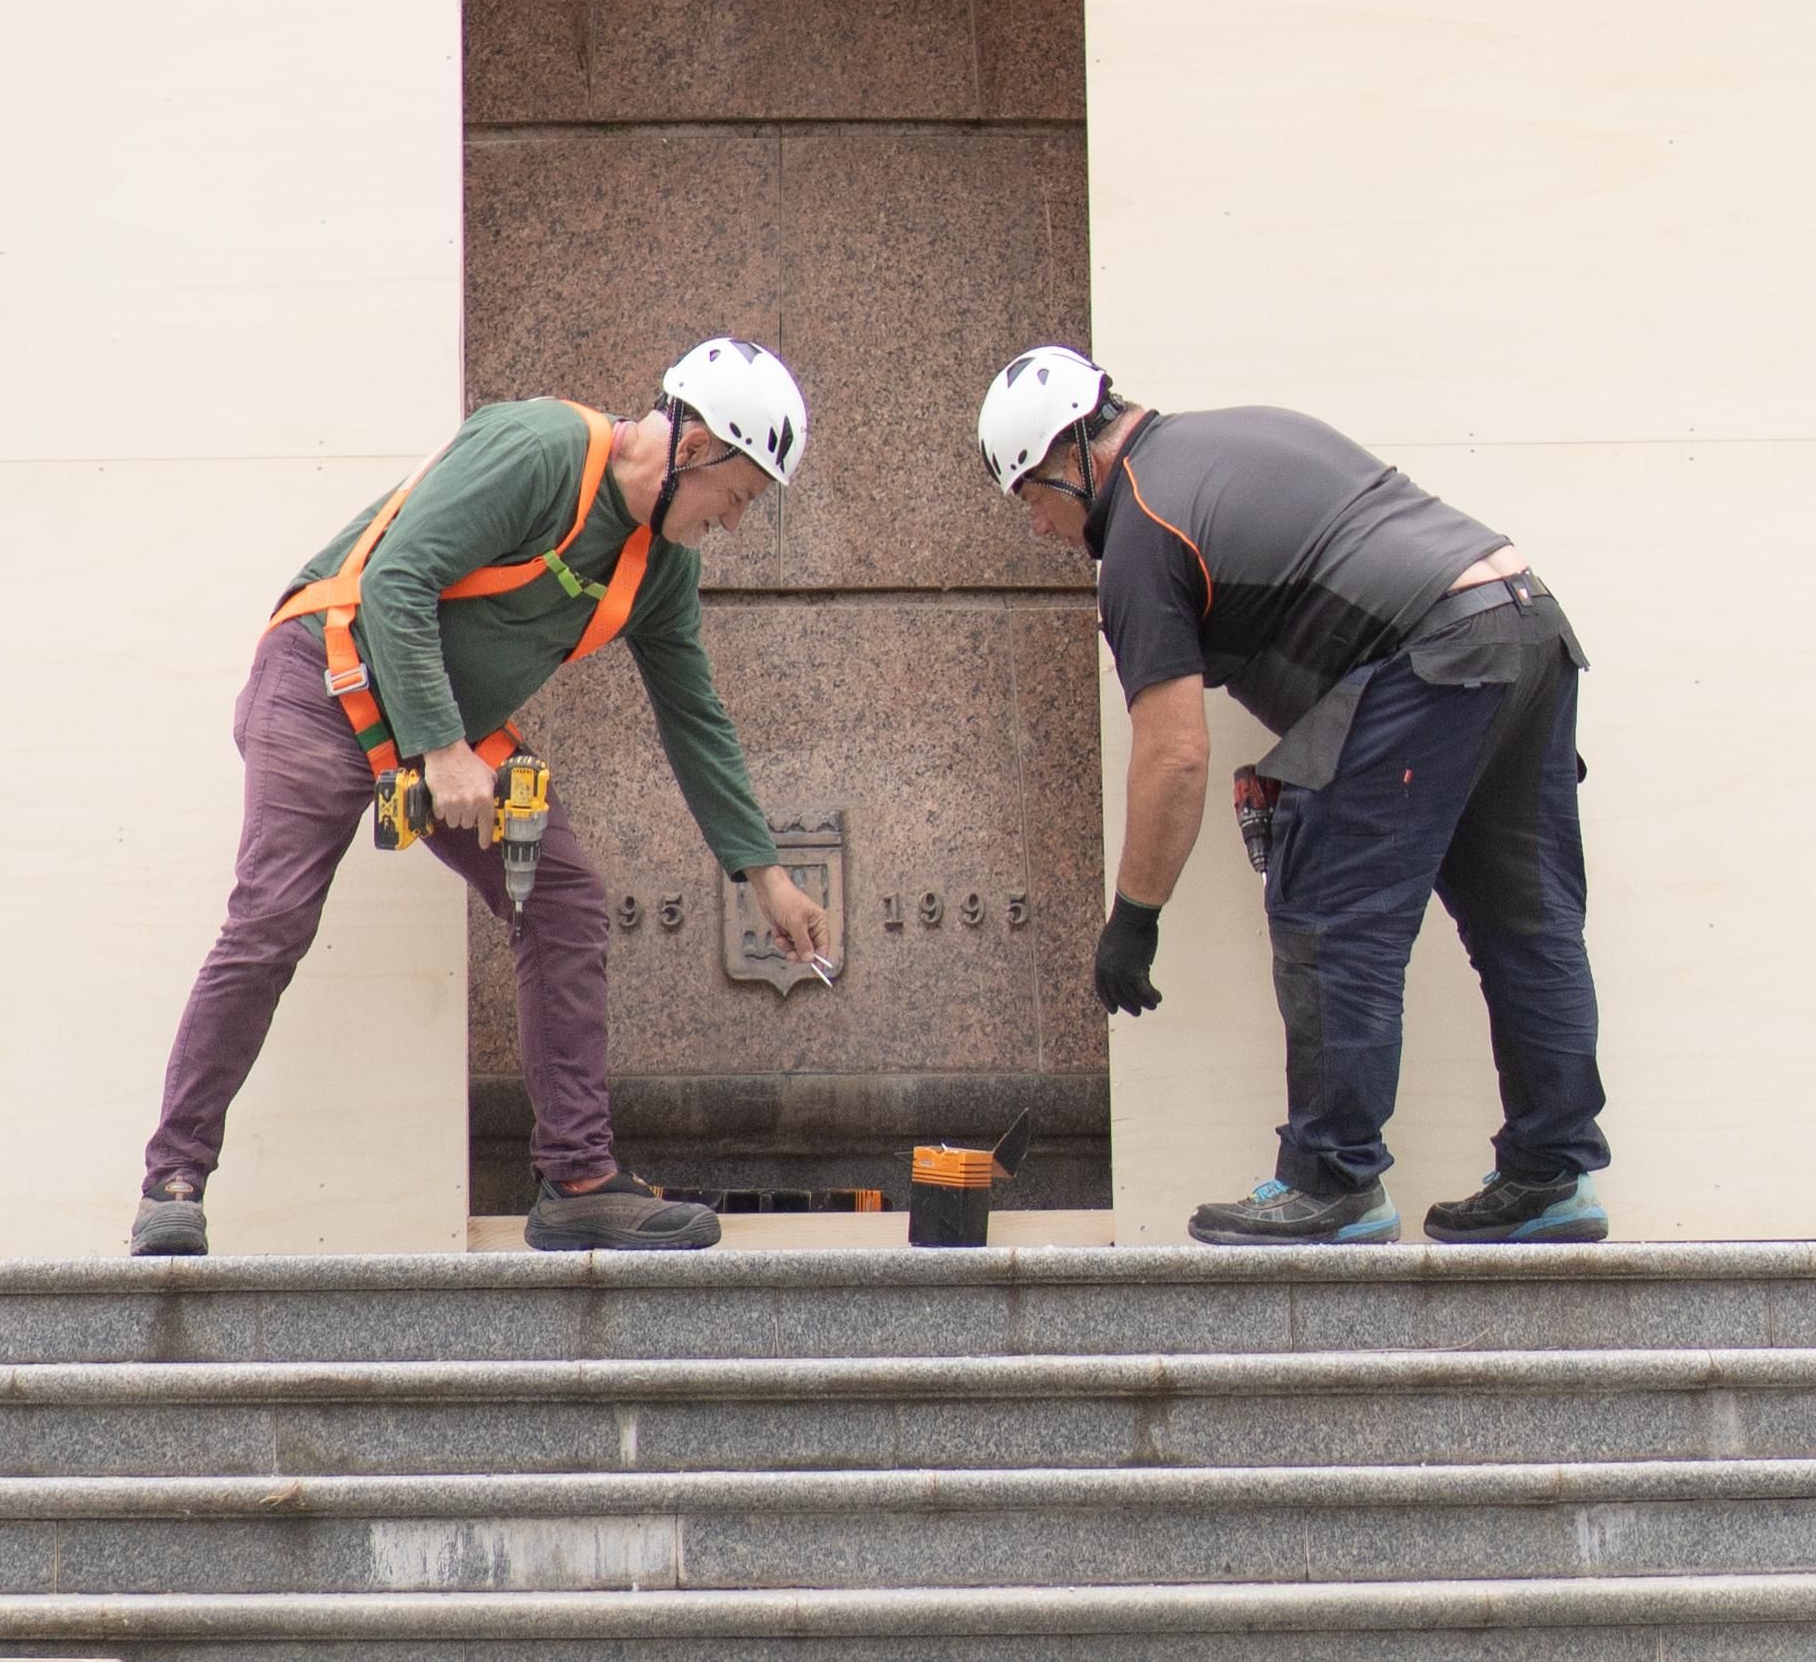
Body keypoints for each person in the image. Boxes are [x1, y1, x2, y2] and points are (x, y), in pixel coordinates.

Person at [136, 337, 827, 1257]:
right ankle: (173, 1180)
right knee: (271, 919)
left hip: (450, 729)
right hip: (324, 676)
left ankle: (578, 1181)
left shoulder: (660, 568)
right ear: (694, 448)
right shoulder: (539, 450)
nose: (733, 522)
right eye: (737, 496)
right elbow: (397, 577)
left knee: (564, 899)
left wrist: (764, 874)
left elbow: (693, 716)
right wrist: (440, 746)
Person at [977, 343, 1609, 1249]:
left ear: (1074, 456)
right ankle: (1551, 1173)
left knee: (1331, 912)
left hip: (1436, 652)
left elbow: (1174, 754)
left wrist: (1134, 918)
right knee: (1527, 920)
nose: (1037, 523)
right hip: (1525, 622)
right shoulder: (1228, 437)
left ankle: (1331, 1179)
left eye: (1031, 495)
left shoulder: (1142, 532)